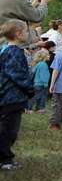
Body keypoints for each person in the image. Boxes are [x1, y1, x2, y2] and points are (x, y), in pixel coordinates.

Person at [0, 19, 35, 170]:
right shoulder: (13, 52)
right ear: (18, 34)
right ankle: (5, 160)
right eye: (26, 31)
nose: (28, 33)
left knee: (7, 129)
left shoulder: (5, 50)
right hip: (11, 98)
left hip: (10, 97)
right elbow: (17, 75)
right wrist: (30, 89)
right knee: (9, 130)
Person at [27, 48, 50, 112]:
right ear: (44, 57)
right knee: (41, 97)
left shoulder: (38, 64)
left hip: (36, 83)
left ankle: (32, 108)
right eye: (48, 55)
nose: (49, 56)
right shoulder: (44, 65)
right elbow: (44, 75)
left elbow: (33, 72)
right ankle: (40, 108)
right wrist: (45, 83)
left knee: (35, 96)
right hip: (42, 84)